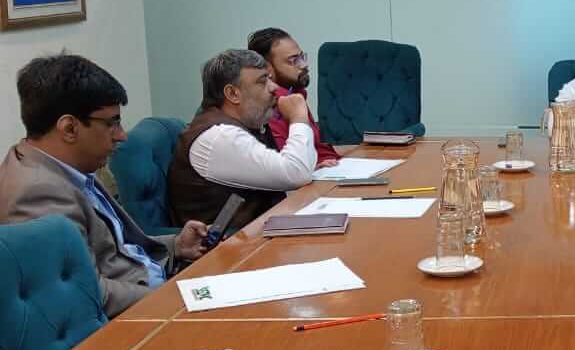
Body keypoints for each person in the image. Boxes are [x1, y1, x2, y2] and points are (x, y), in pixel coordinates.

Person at [0, 55, 209, 317]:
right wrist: (173, 297)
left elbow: (113, 249)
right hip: (134, 318)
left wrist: (176, 245)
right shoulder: (36, 193)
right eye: (112, 123)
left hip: (155, 285)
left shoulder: (68, 165)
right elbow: (86, 293)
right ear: (69, 128)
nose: (122, 135)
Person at [168, 49, 316, 232]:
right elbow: (296, 173)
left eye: (270, 78)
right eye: (263, 80)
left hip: (258, 233)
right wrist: (298, 118)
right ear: (233, 94)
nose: (274, 88)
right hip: (227, 246)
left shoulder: (246, 125)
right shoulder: (219, 137)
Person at [247, 27, 341, 168]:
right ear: (267, 69)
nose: (304, 65)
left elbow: (319, 149)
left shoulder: (294, 93)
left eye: (302, 57)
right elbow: (285, 165)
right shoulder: (269, 105)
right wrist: (314, 168)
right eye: (294, 60)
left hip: (329, 170)